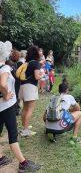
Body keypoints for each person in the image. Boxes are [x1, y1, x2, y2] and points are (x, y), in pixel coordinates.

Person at [0, 41, 40, 171]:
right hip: (7, 106)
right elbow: (3, 83)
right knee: (13, 134)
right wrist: (5, 95)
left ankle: (0, 157)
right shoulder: (5, 68)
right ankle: (23, 163)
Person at [19, 45, 42, 136]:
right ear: (36, 53)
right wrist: (42, 75)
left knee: (25, 108)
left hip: (23, 86)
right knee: (30, 109)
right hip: (31, 87)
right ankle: (26, 130)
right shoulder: (36, 63)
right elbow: (37, 76)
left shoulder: (26, 63)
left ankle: (24, 127)